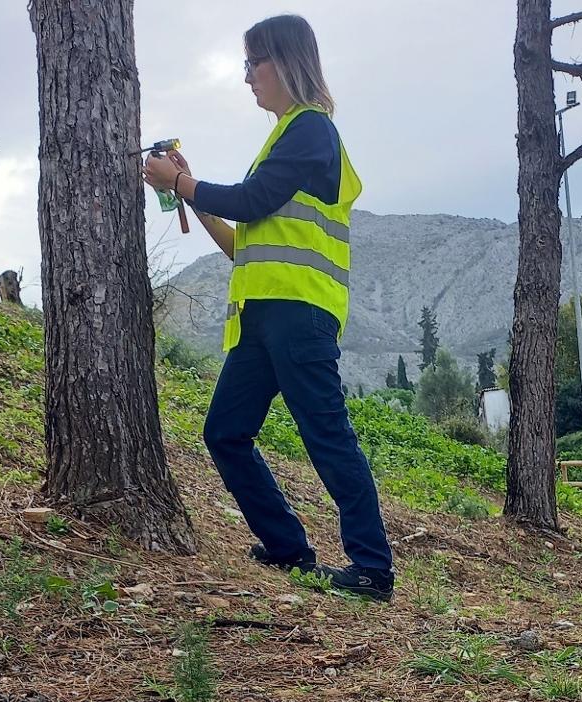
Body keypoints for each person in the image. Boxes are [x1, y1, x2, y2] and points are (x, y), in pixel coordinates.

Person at [143, 14, 395, 601]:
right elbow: (245, 242)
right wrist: (189, 192)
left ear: (285, 62)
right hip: (262, 315)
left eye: (253, 63)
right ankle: (287, 547)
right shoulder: (284, 137)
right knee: (226, 432)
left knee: (327, 435)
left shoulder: (311, 130)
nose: (247, 77)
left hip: (300, 313)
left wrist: (182, 185)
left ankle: (372, 568)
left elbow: (252, 199)